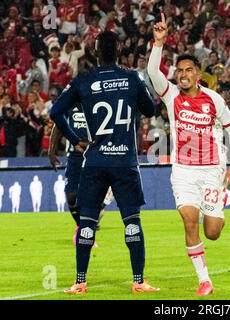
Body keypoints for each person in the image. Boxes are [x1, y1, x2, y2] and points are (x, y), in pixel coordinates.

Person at [50, 31, 158, 295]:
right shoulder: (132, 77)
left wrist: (75, 138)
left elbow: (55, 111)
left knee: (86, 222)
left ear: (95, 52)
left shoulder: (84, 80)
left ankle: (80, 282)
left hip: (95, 161)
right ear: (119, 50)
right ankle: (138, 281)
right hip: (124, 160)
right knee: (132, 220)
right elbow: (151, 110)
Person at [148, 13, 230, 296]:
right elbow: (153, 73)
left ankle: (218, 201)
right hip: (184, 171)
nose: (184, 74)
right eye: (180, 71)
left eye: (189, 70)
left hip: (212, 170)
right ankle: (204, 281)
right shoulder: (171, 95)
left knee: (212, 231)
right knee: (190, 221)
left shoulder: (213, 100)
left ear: (199, 75)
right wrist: (159, 43)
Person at [49, 103, 113, 246]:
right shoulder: (71, 102)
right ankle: (81, 226)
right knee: (71, 196)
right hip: (75, 156)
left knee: (92, 197)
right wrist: (51, 149)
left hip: (95, 155)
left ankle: (86, 231)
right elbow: (59, 125)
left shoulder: (99, 102)